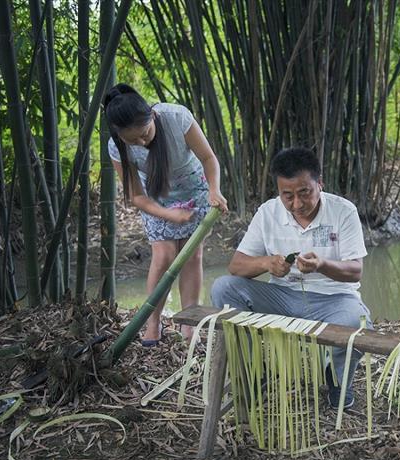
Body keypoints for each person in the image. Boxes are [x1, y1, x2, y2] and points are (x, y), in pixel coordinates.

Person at [210, 147, 371, 409]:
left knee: (355, 321)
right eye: (288, 195)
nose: (297, 204)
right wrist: (265, 263)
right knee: (223, 289)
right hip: (282, 297)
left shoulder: (344, 211)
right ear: (279, 191)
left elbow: (355, 270)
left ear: (319, 183)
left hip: (335, 299)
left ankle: (338, 381)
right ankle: (254, 371)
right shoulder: (268, 212)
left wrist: (321, 265)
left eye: (304, 192)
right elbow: (236, 266)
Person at [105, 84, 228, 346]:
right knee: (163, 257)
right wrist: (169, 215)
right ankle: (153, 323)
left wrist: (214, 191)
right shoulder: (116, 147)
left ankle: (188, 323)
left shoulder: (176, 117)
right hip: (155, 197)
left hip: (194, 189)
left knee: (193, 255)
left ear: (152, 115)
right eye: (132, 140)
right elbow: (136, 196)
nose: (141, 142)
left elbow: (208, 158)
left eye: (144, 133)